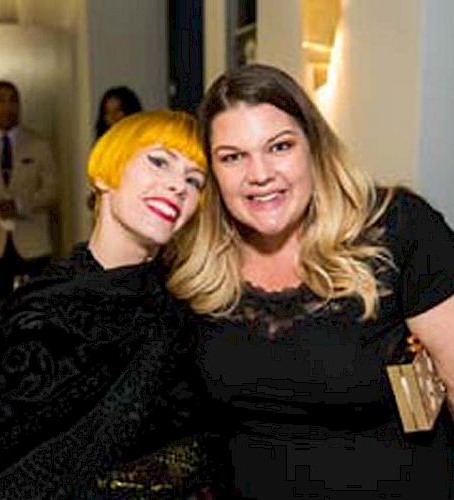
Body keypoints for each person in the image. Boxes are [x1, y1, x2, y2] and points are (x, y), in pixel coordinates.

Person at [167, 64, 454, 498]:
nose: (259, 174)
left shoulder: (397, 230)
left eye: (279, 146)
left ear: (314, 147)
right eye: (232, 156)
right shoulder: (192, 271)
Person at [0, 110, 219, 499]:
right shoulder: (33, 314)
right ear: (104, 174)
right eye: (159, 161)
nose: (177, 186)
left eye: (193, 180)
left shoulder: (185, 309)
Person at [0, 80, 58, 307]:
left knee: (36, 305)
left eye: (13, 100)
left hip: (33, 239)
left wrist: (20, 205)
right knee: (3, 307)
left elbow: (52, 189)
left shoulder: (39, 143)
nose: (7, 107)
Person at [87, 86, 143, 212]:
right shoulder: (102, 149)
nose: (113, 117)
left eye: (118, 111)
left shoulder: (145, 145)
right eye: (107, 113)